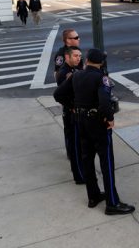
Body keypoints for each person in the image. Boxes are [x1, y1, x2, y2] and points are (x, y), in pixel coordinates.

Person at [54, 49, 135, 215]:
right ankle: (112, 203)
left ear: (87, 60)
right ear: (101, 63)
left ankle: (93, 196)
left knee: (87, 160)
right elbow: (105, 103)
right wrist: (110, 118)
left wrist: (72, 106)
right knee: (107, 163)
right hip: (97, 123)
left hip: (81, 122)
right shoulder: (101, 78)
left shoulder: (76, 75)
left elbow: (58, 94)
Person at [56, 46, 85, 185]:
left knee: (78, 145)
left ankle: (81, 170)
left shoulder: (75, 69)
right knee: (75, 146)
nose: (78, 58)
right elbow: (60, 94)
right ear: (67, 57)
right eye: (75, 56)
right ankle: (79, 176)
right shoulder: (64, 73)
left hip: (76, 113)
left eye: (79, 55)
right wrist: (72, 107)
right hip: (71, 115)